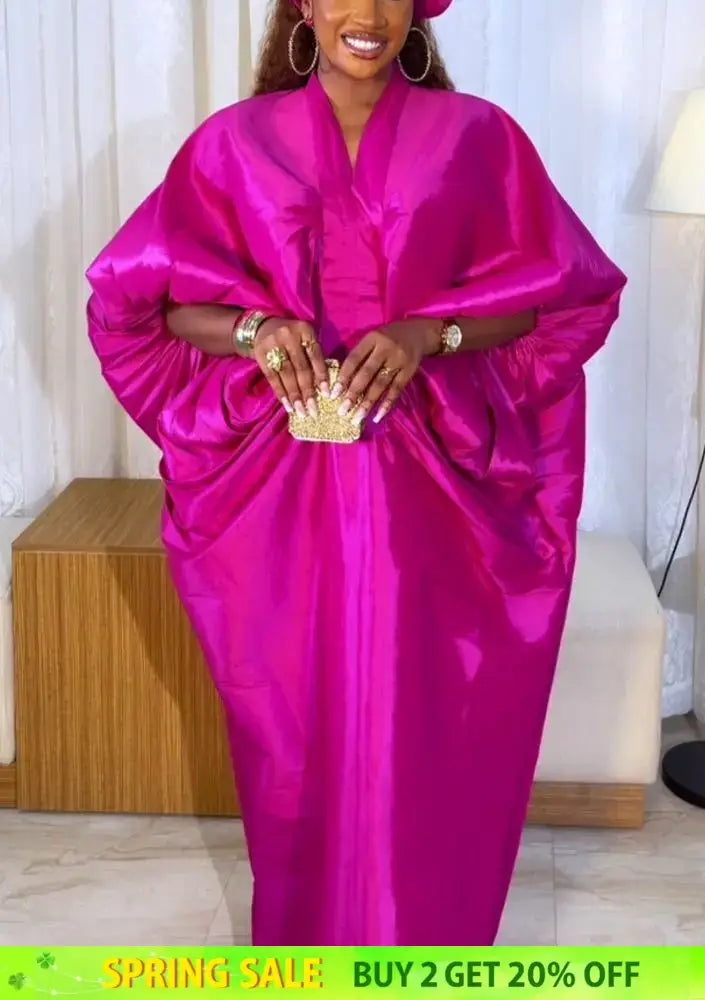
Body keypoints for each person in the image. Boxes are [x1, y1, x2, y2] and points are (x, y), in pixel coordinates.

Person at [86, 0, 626, 946]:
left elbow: (555, 298)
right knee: (292, 741)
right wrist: (257, 330)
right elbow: (151, 303)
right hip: (280, 505)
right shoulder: (234, 143)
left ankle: (428, 949)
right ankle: (305, 955)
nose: (366, 14)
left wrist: (430, 333)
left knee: (427, 737)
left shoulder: (478, 137)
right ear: (303, 3)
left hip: (435, 502)